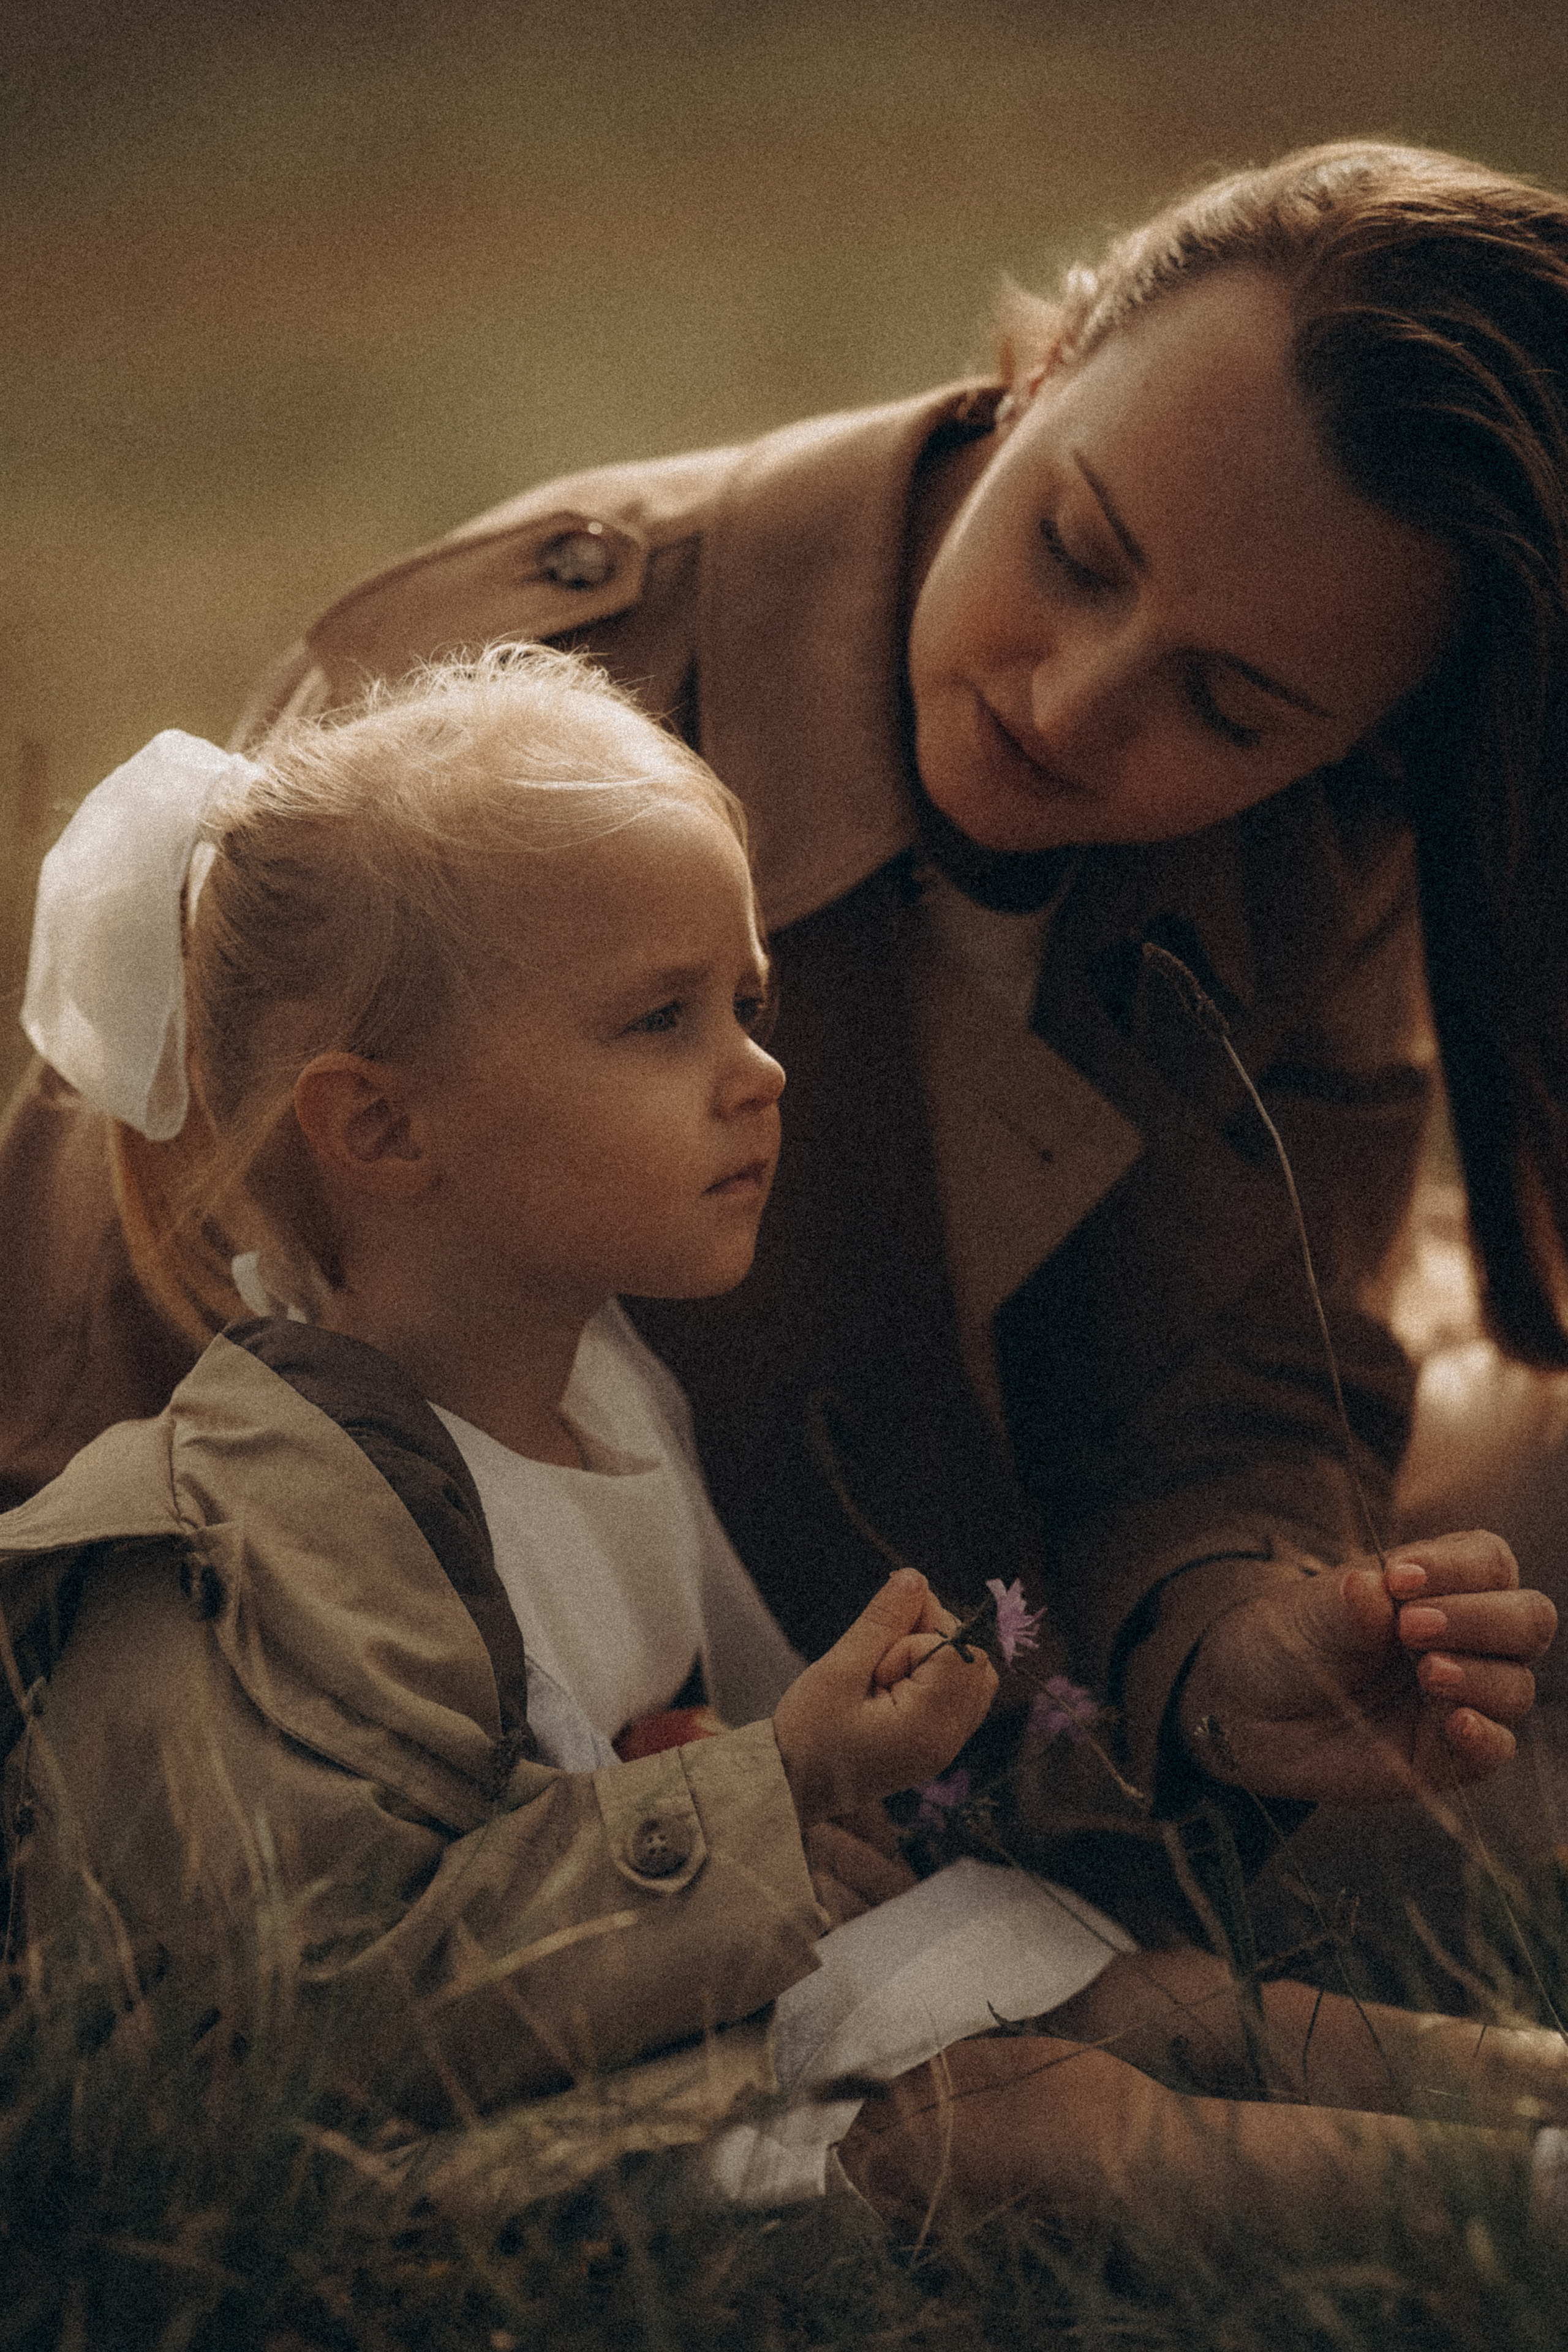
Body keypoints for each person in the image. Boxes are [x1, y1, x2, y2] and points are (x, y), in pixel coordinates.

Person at [1, 140, 1562, 1894]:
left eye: (1229, 706)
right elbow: (116, 1362)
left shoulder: (1314, 844)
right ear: (1041, 368)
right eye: (1073, 548)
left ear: (1356, 738)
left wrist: (1235, 1643)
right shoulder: (508, 740)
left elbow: (1238, 1373)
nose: (1074, 696)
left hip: (966, 1701)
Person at [6, 647, 1567, 2247]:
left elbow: (652, 1749)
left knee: (1144, 1993)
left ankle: (1537, 2084)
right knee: (1038, 2123)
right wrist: (784, 1776)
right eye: (658, 1019)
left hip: (634, 2016)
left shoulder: (599, 1388)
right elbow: (327, 2006)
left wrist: (818, 1792)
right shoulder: (270, 1521)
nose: (758, 1075)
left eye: (743, 1005)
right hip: (445, 2150)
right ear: (384, 1128)